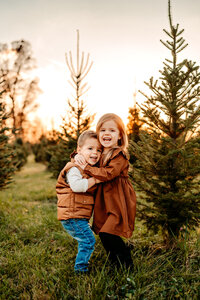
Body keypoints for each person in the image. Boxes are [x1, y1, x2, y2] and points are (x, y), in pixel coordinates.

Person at [75, 113, 137, 269]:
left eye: (112, 130)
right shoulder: (100, 153)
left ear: (120, 136)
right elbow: (86, 154)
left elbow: (109, 173)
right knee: (103, 231)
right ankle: (115, 260)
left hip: (117, 199)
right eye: (102, 130)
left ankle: (127, 264)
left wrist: (87, 168)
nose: (106, 133)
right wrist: (78, 157)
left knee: (109, 231)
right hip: (104, 200)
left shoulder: (120, 155)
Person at [56, 130, 102, 273]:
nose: (95, 153)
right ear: (79, 150)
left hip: (77, 215)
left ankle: (81, 266)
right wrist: (95, 179)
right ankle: (80, 270)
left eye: (99, 150)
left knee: (86, 240)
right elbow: (76, 186)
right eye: (90, 148)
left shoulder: (87, 167)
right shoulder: (73, 168)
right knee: (88, 241)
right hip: (72, 216)